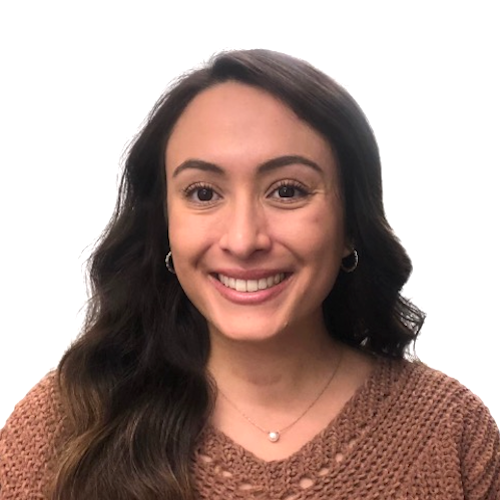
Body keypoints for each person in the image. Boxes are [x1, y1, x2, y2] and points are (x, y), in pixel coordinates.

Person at [1, 49, 499, 500]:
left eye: (287, 190)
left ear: (352, 224)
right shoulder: (61, 425)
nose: (243, 240)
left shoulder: (451, 431)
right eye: (202, 193)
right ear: (165, 228)